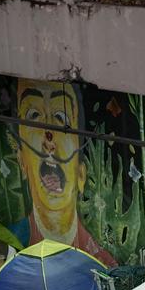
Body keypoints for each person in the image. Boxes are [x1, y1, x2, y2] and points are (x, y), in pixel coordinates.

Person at [13, 78, 116, 266]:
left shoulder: (101, 263)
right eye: (34, 115)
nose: (49, 140)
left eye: (62, 119)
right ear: (22, 161)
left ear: (81, 173)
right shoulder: (12, 245)